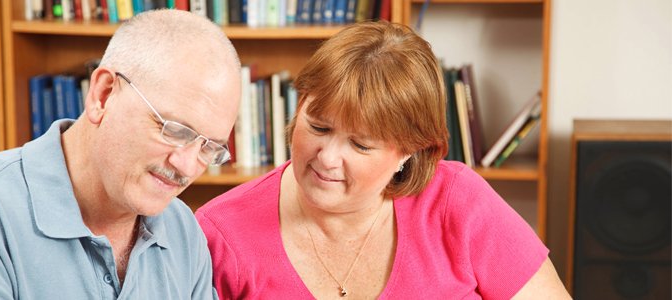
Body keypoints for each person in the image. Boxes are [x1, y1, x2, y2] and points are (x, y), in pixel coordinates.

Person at [195, 21, 571, 299]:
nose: (326, 158)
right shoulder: (219, 232)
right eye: (318, 127)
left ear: (409, 150)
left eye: (360, 145)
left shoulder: (458, 200)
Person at [0, 10, 241, 299]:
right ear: (103, 95)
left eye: (209, 147)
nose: (185, 166)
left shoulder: (183, 230)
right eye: (174, 130)